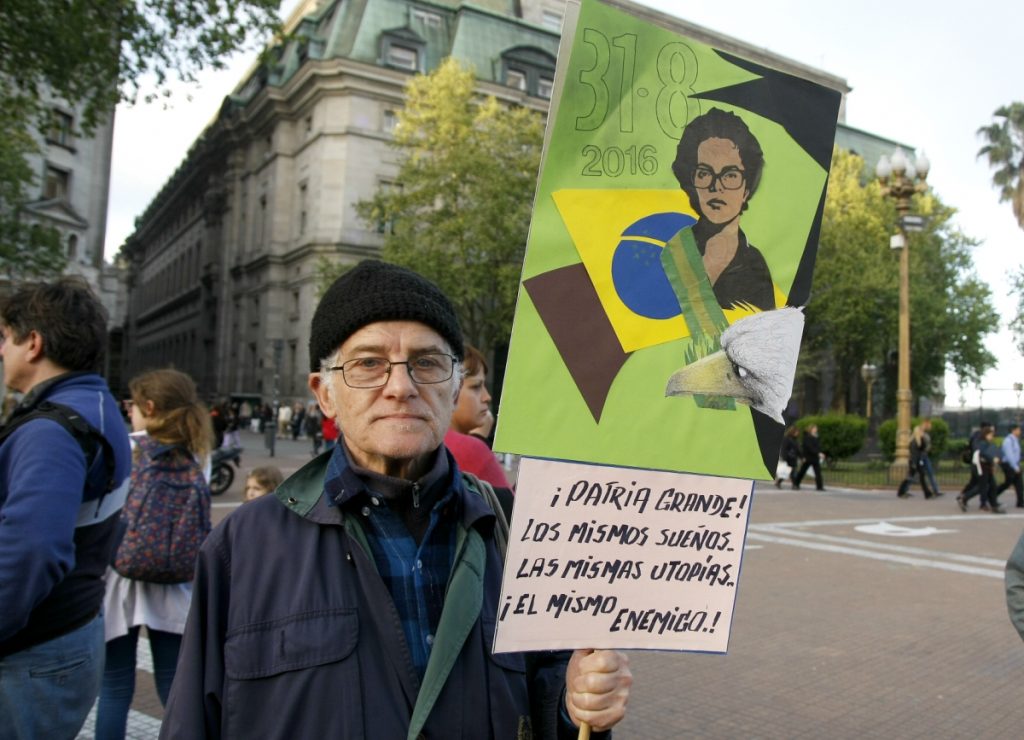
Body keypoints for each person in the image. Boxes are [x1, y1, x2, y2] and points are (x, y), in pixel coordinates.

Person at [161, 260, 631, 739]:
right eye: (368, 364)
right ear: (325, 395)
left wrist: (579, 706)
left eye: (426, 362)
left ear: (453, 387)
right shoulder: (243, 548)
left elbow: (552, 700)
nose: (401, 387)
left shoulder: (520, 535)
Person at [0, 277, 133, 739]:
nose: (1, 352)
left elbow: (31, 551)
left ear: (32, 342)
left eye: (4, 339)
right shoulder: (96, 404)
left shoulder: (51, 431)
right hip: (67, 631)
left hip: (32, 651)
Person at [96, 369, 214, 739]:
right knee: (173, 687)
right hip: (175, 580)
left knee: (114, 687)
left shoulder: (128, 446)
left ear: (148, 406)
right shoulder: (199, 451)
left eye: (132, 405)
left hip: (121, 575)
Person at [671, 107, 775, 311]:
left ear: (746, 187)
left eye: (730, 175)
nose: (715, 186)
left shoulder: (756, 266)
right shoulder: (673, 252)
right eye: (704, 173)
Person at [445, 343, 511, 489]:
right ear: (451, 391)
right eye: (476, 386)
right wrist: (478, 441)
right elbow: (509, 508)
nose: (487, 397)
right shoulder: (469, 449)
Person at [960, 426, 1003, 514]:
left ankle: (992, 504)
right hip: (981, 467)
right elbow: (983, 453)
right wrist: (993, 459)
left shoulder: (986, 442)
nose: (992, 437)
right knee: (983, 486)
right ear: (986, 434)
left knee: (991, 485)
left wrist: (995, 459)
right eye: (990, 435)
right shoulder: (980, 443)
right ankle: (967, 498)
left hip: (986, 467)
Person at [897, 422, 938, 499]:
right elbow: (918, 451)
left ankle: (927, 494)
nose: (922, 432)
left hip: (917, 462)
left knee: (918, 477)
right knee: (912, 477)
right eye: (920, 431)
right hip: (915, 462)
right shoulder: (914, 442)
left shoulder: (917, 440)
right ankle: (901, 492)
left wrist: (922, 438)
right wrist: (914, 464)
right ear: (917, 432)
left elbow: (922, 447)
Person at [997, 423, 1023, 508]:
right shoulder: (1008, 441)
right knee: (1007, 483)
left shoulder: (1015, 440)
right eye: (1018, 429)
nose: (1020, 431)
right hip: (1009, 465)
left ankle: (1020, 502)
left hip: (1015, 464)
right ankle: (992, 495)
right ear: (1013, 430)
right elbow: (1009, 455)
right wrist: (1015, 467)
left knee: (1019, 484)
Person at [793, 424, 825, 491]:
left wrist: (820, 453)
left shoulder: (816, 437)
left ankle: (820, 486)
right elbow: (809, 447)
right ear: (811, 429)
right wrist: (818, 453)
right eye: (814, 428)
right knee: (802, 471)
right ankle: (796, 484)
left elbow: (818, 447)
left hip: (815, 458)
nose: (816, 429)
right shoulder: (807, 437)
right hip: (808, 457)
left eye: (816, 428)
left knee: (818, 472)